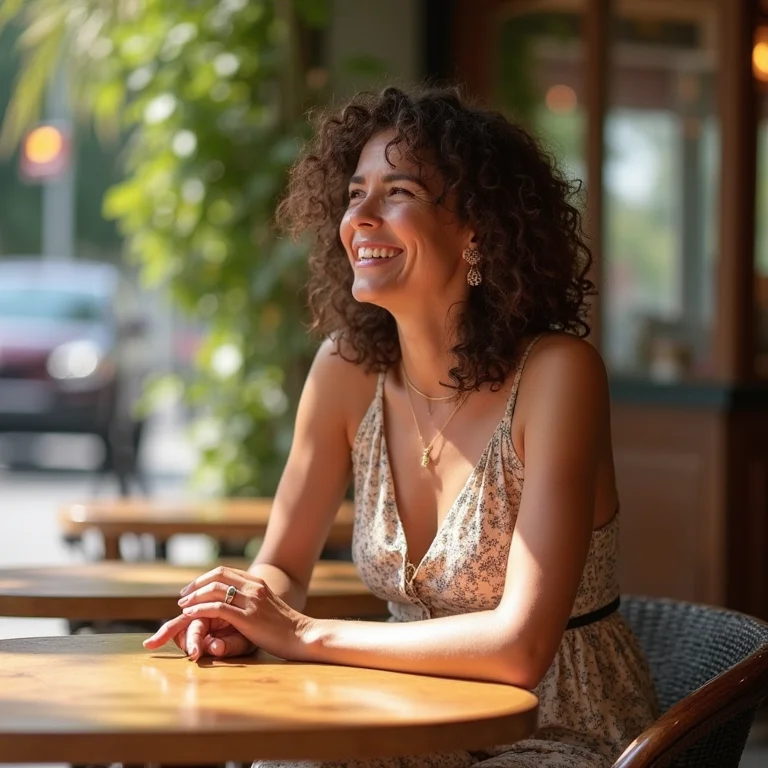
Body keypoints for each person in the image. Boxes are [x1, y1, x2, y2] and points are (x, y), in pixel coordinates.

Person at [144, 85, 658, 767]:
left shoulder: (557, 375)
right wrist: (242, 613)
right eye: (355, 193)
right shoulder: (345, 371)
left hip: (556, 728)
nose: (361, 216)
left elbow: (520, 648)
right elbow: (284, 564)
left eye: (399, 192)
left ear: (477, 229)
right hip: (405, 712)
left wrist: (303, 634)